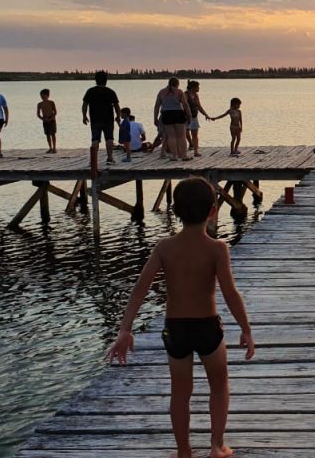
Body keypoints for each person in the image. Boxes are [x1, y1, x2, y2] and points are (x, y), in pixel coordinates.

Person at [105, 177, 254, 458]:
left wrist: (125, 329)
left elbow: (139, 289)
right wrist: (245, 328)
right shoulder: (217, 248)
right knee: (219, 385)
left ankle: (183, 450)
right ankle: (216, 446)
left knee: (180, 393)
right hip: (207, 327)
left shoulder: (164, 247)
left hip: (175, 329)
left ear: (175, 211)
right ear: (213, 210)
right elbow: (230, 292)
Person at [82, 71, 122, 165]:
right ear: (106, 80)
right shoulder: (110, 92)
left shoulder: (90, 91)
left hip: (95, 119)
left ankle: (93, 161)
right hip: (108, 119)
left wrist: (84, 116)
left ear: (95, 80)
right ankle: (110, 158)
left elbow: (85, 105)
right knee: (109, 138)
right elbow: (116, 106)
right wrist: (118, 116)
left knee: (95, 139)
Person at [155, 77, 192, 161]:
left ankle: (174, 156)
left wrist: (155, 118)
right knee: (181, 136)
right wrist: (189, 116)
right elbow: (185, 105)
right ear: (177, 83)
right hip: (178, 113)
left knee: (171, 136)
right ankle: (184, 156)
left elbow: (157, 106)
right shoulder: (179, 91)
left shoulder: (161, 92)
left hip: (166, 114)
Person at [185, 80, 213, 157]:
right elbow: (184, 106)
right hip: (186, 117)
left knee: (195, 134)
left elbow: (199, 106)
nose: (199, 88)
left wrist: (206, 115)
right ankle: (186, 149)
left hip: (194, 117)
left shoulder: (196, 95)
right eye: (198, 87)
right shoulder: (185, 94)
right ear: (193, 87)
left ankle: (196, 151)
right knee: (185, 133)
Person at [36, 88, 57, 153]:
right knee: (47, 134)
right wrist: (43, 119)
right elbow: (38, 114)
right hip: (45, 120)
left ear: (48, 96)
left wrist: (51, 118)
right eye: (41, 96)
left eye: (44, 96)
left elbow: (55, 112)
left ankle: (54, 148)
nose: (42, 98)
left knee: (53, 134)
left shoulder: (51, 102)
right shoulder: (39, 104)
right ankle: (50, 147)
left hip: (52, 119)